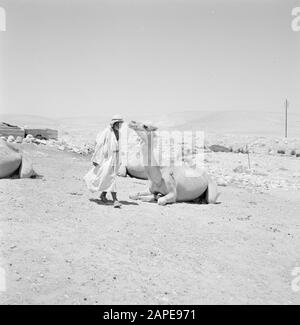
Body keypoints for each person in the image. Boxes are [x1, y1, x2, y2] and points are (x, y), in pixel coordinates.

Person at [84, 115, 124, 208]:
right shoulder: (107, 132)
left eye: (120, 123)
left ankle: (103, 195)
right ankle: (115, 200)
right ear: (113, 123)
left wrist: (120, 159)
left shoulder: (119, 133)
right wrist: (95, 158)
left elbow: (119, 147)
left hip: (115, 158)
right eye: (118, 123)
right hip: (107, 159)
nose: (119, 125)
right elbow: (99, 144)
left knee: (109, 177)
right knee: (110, 177)